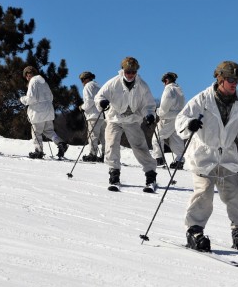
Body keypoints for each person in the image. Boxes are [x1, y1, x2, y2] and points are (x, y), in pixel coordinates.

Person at [175, 60, 238, 253]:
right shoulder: (202, 99)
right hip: (203, 154)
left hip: (228, 155)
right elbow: (181, 119)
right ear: (220, 78)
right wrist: (190, 125)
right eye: (231, 79)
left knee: (236, 194)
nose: (234, 83)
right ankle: (194, 231)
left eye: (237, 79)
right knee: (204, 193)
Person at [94, 56, 158, 192]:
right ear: (123, 70)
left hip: (133, 119)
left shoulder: (142, 86)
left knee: (140, 147)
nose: (130, 75)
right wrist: (102, 102)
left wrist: (150, 115)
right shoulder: (113, 83)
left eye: (133, 72)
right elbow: (99, 96)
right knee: (111, 145)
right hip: (114, 118)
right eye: (128, 71)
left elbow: (149, 104)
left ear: (136, 72)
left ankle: (151, 175)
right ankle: (114, 175)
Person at [20, 66, 68, 159]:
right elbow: (51, 97)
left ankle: (38, 151)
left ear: (29, 74)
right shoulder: (44, 82)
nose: (26, 78)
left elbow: (31, 98)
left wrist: (22, 99)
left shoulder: (33, 81)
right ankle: (61, 143)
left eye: (26, 75)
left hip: (38, 111)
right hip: (48, 110)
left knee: (36, 132)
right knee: (49, 131)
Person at [152, 72, 186, 169]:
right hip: (179, 118)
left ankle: (159, 158)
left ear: (166, 80)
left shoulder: (169, 89)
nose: (163, 84)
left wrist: (157, 112)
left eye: (163, 81)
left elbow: (164, 108)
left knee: (157, 137)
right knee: (176, 140)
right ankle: (179, 160)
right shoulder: (179, 90)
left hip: (168, 118)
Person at [79, 71, 106, 162]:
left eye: (82, 80)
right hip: (102, 115)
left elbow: (89, 101)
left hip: (93, 115)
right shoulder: (98, 86)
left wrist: (82, 107)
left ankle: (92, 154)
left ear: (85, 79)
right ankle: (105, 155)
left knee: (93, 136)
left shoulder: (88, 86)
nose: (82, 82)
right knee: (103, 137)